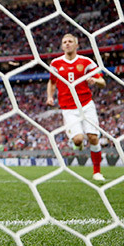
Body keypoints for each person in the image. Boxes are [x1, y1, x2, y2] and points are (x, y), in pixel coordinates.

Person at [46, 33, 107, 181]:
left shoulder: (86, 62)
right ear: (62, 46)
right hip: (68, 108)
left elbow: (103, 82)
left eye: (70, 41)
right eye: (64, 42)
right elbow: (52, 82)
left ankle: (97, 172)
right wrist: (50, 96)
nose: (67, 44)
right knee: (78, 139)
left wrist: (95, 81)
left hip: (86, 105)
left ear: (76, 45)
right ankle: (77, 143)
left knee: (93, 137)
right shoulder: (55, 63)